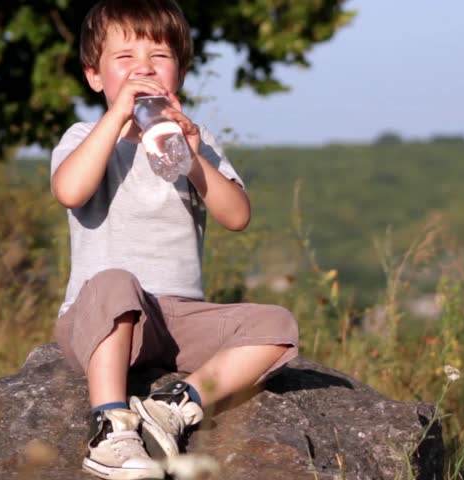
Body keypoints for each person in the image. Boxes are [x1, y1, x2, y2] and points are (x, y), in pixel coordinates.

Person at [49, 1, 299, 478]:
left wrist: (192, 158)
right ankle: (111, 429)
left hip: (179, 318)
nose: (143, 68)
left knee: (277, 324)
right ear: (94, 76)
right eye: (124, 59)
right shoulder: (84, 135)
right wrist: (117, 118)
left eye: (158, 57)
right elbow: (69, 189)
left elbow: (237, 216)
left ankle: (173, 406)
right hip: (103, 317)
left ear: (179, 75)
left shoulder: (193, 139)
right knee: (115, 281)